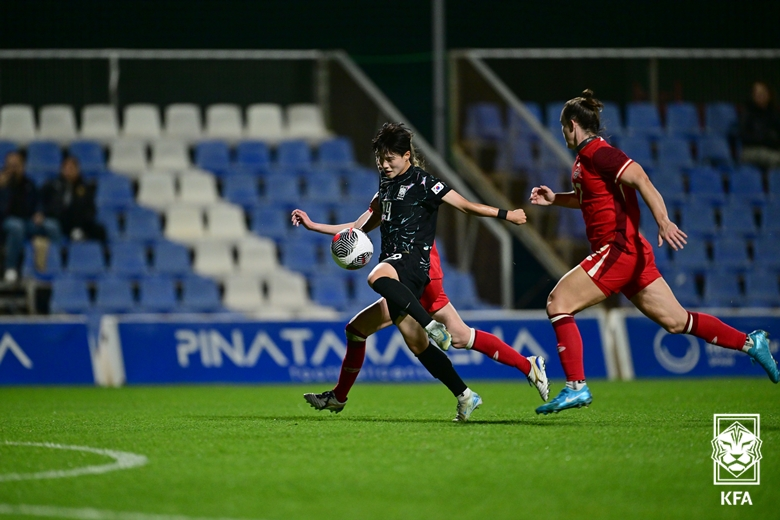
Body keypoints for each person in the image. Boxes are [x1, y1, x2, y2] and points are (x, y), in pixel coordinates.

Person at [530, 89, 779, 415]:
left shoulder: (598, 153)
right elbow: (590, 200)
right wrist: (556, 199)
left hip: (618, 248)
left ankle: (576, 386)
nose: (562, 133)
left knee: (557, 302)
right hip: (632, 253)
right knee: (678, 322)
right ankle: (752, 343)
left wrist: (663, 221)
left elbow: (641, 178)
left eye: (563, 127)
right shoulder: (585, 160)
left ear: (573, 125)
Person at [291, 122, 547, 421]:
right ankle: (491, 383)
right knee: (445, 338)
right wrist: (314, 226)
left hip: (413, 267)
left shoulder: (424, 183)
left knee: (378, 278)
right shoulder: (384, 187)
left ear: (407, 156)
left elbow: (464, 205)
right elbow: (358, 227)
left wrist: (507, 214)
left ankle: (424, 335)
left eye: (390, 160)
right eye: (380, 160)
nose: (384, 166)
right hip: (403, 275)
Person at [0, 150, 62, 282]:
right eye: (10, 165)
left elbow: (38, 202)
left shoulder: (29, 184)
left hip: (27, 222)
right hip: (6, 222)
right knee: (16, 227)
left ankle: (57, 264)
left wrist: (39, 213)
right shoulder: (2, 183)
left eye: (17, 165)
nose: (13, 169)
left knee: (52, 226)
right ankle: (10, 268)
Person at [41, 156, 106, 243]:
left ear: (77, 170)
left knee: (100, 230)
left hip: (80, 222)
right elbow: (45, 203)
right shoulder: (53, 185)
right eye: (66, 168)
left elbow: (90, 208)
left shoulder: (85, 187)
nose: (69, 171)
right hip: (60, 221)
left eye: (71, 168)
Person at [738, 81, 780, 170]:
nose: (760, 96)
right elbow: (745, 136)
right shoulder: (747, 113)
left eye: (763, 93)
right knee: (777, 159)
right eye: (757, 93)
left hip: (772, 149)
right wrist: (767, 138)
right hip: (751, 150)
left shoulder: (773, 113)